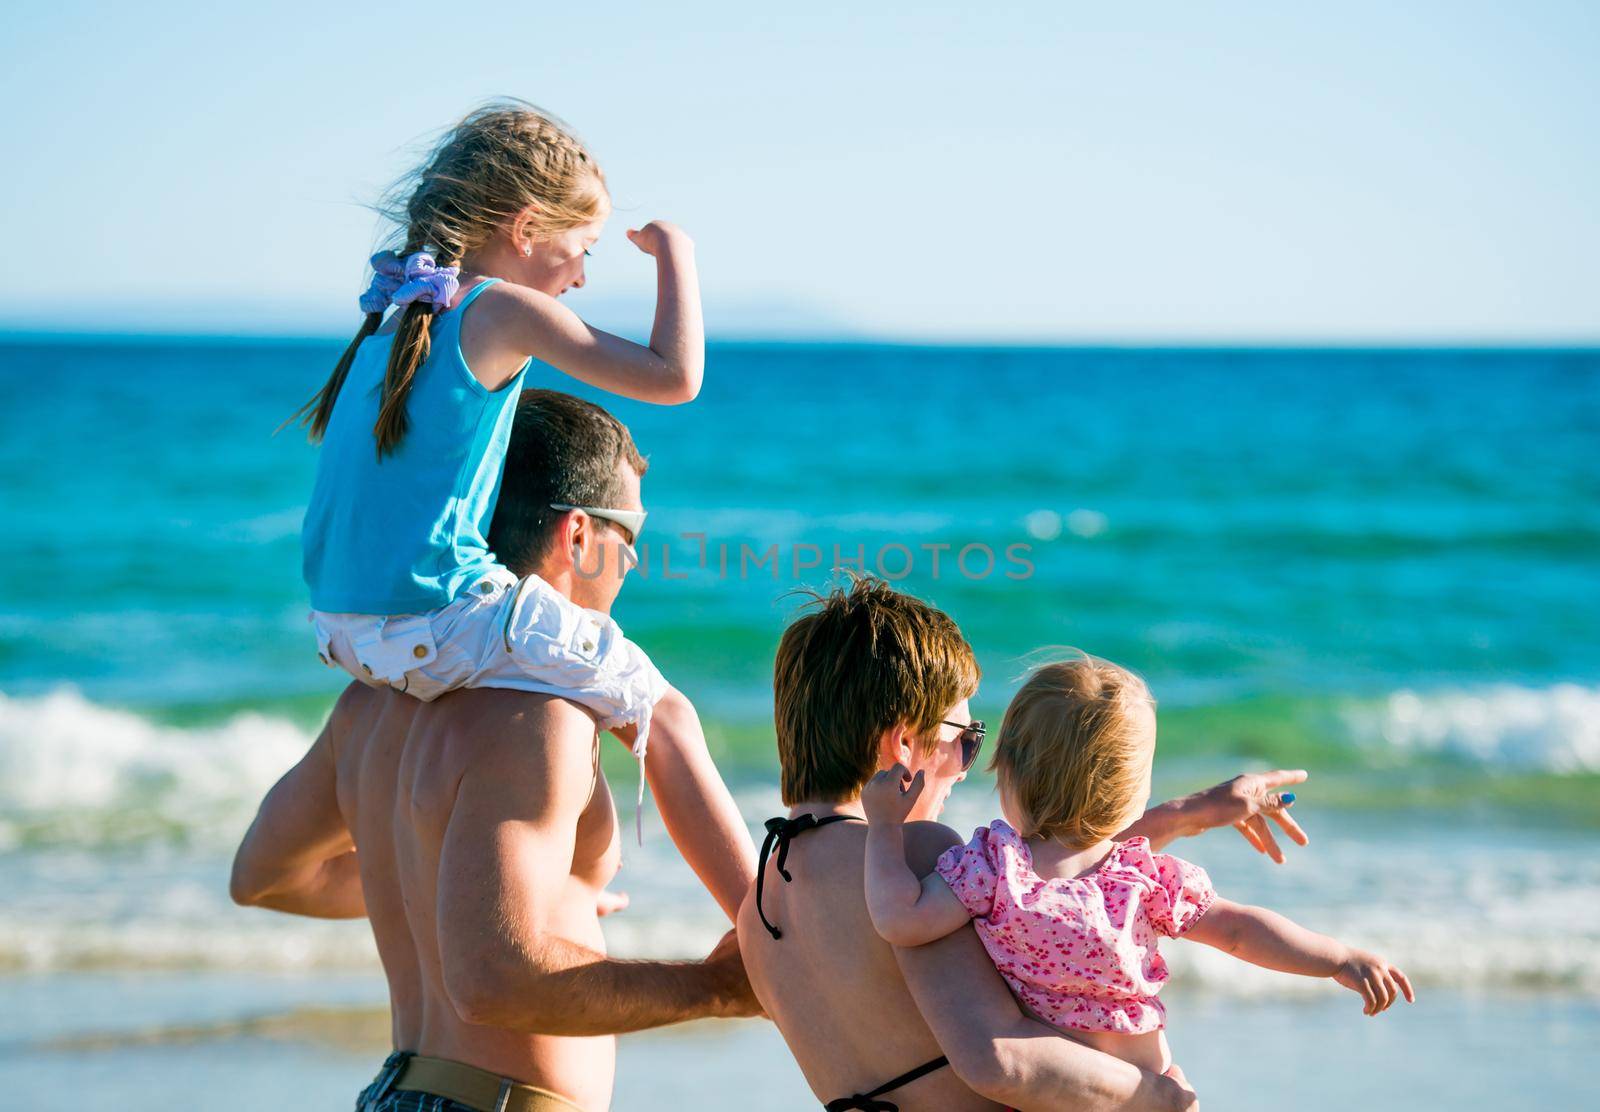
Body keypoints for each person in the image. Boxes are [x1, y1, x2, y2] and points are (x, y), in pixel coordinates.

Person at [233, 391, 758, 1112]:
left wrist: (469, 890)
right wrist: (720, 988)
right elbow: (490, 981)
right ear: (578, 534)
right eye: (630, 535)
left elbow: (264, 875)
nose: (634, 562)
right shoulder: (540, 715)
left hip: (400, 1090)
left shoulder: (369, 704)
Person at [738, 577, 1314, 1111]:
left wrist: (1190, 813)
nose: (968, 767)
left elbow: (1053, 880)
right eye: (966, 740)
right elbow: (1003, 1054)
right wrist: (1155, 1095)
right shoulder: (911, 854)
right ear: (905, 743)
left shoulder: (760, 907)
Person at [291, 99, 706, 816]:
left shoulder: (396, 319)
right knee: (664, 716)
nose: (581, 277)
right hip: (435, 618)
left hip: (339, 624)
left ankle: (570, 885)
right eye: (586, 247)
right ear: (525, 229)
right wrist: (678, 253)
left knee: (573, 698)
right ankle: (763, 922)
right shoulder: (499, 308)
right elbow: (675, 378)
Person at [862, 655, 1415, 1080]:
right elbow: (1243, 932)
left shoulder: (990, 869)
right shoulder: (1144, 879)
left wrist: (885, 827)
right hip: (1150, 1083)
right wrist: (1339, 958)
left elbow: (900, 919)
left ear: (1005, 770)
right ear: (1133, 795)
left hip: (1056, 1093)